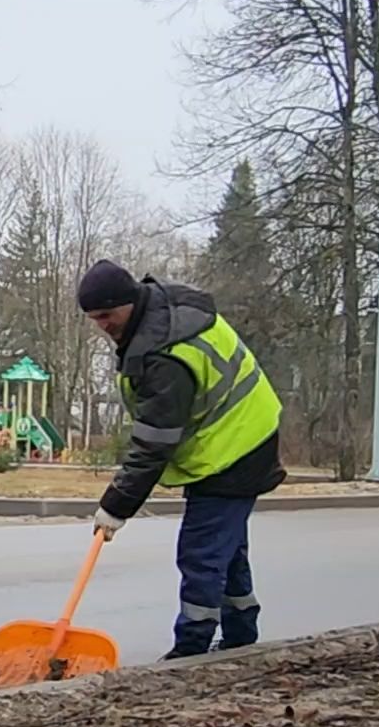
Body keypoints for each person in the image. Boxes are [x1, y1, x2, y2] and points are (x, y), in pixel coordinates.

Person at [79, 260, 284, 658]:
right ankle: (241, 638)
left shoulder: (164, 356)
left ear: (128, 302)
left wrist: (116, 506)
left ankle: (190, 650)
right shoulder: (160, 317)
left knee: (201, 553)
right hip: (242, 435)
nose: (102, 325)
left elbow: (154, 443)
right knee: (226, 549)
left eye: (106, 315)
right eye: (94, 319)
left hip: (236, 448)